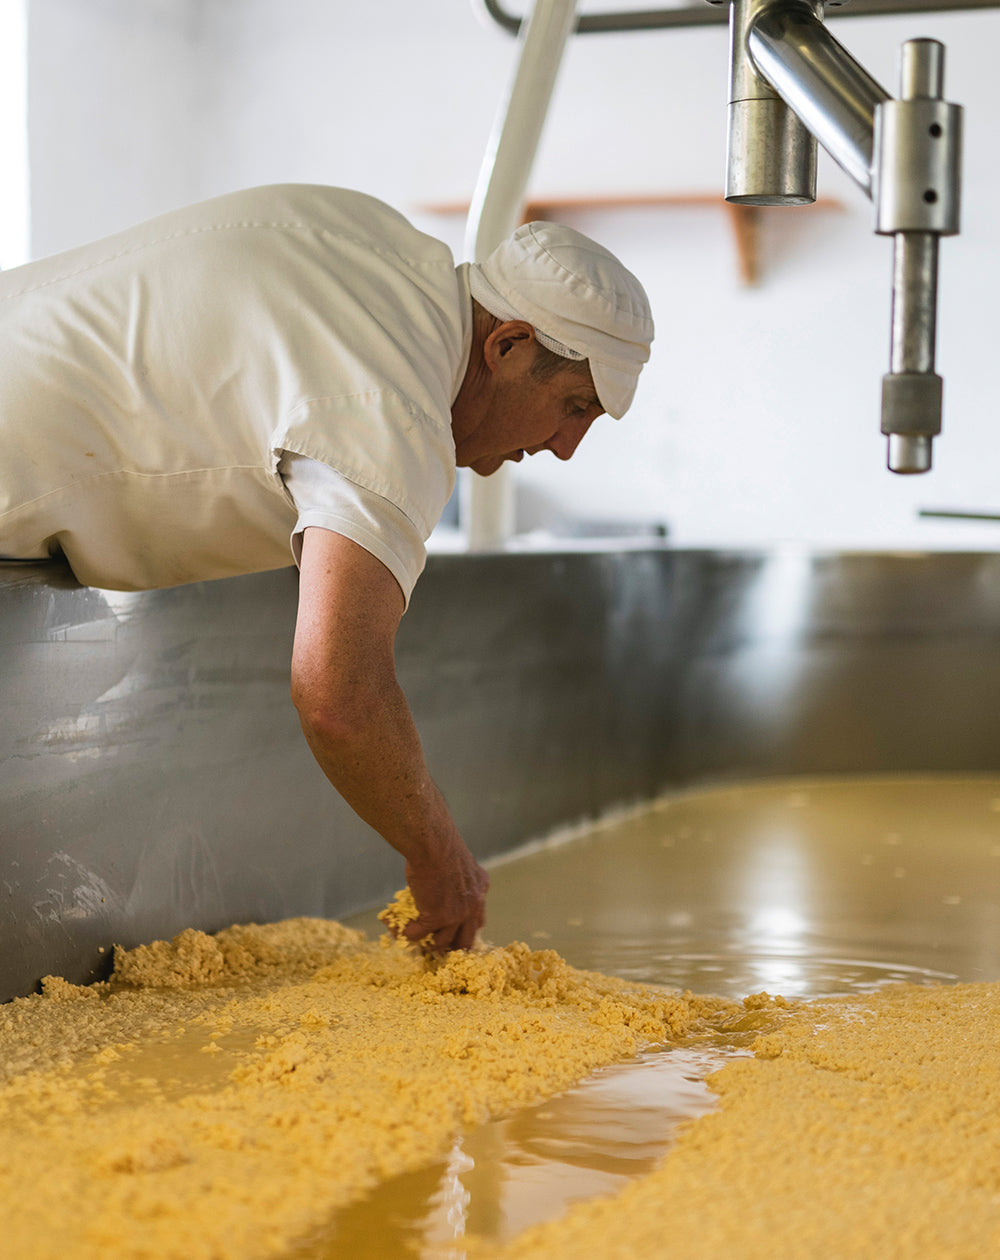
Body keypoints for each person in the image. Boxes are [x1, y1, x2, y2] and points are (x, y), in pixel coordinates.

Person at [0, 184, 654, 952]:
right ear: (506, 346)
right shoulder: (392, 413)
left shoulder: (373, 243)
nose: (565, 447)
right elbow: (339, 693)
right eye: (573, 408)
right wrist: (442, 863)